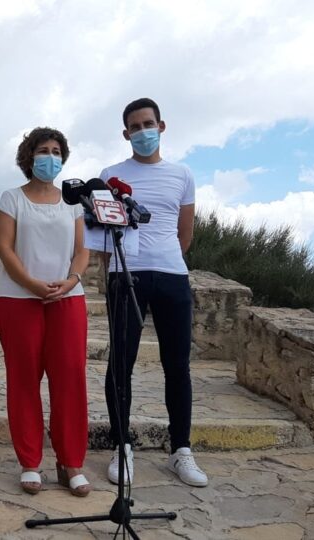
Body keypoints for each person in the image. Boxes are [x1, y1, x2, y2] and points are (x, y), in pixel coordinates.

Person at [99, 98, 208, 487]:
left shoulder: (182, 174)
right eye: (135, 126)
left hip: (171, 275)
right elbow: (101, 226)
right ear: (126, 133)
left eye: (148, 123)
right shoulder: (110, 174)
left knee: (177, 365)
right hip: (125, 273)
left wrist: (166, 259)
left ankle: (182, 449)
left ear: (161, 126)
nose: (142, 131)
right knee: (121, 362)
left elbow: (185, 231)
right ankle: (122, 446)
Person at [0, 127, 91, 496]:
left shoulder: (73, 202)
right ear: (29, 156)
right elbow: (5, 248)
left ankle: (71, 463)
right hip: (19, 299)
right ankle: (30, 462)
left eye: (55, 150)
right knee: (24, 379)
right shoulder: (12, 199)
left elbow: (82, 249)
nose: (49, 156)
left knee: (70, 377)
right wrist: (32, 285)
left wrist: (71, 280)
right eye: (42, 150)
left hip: (68, 298)